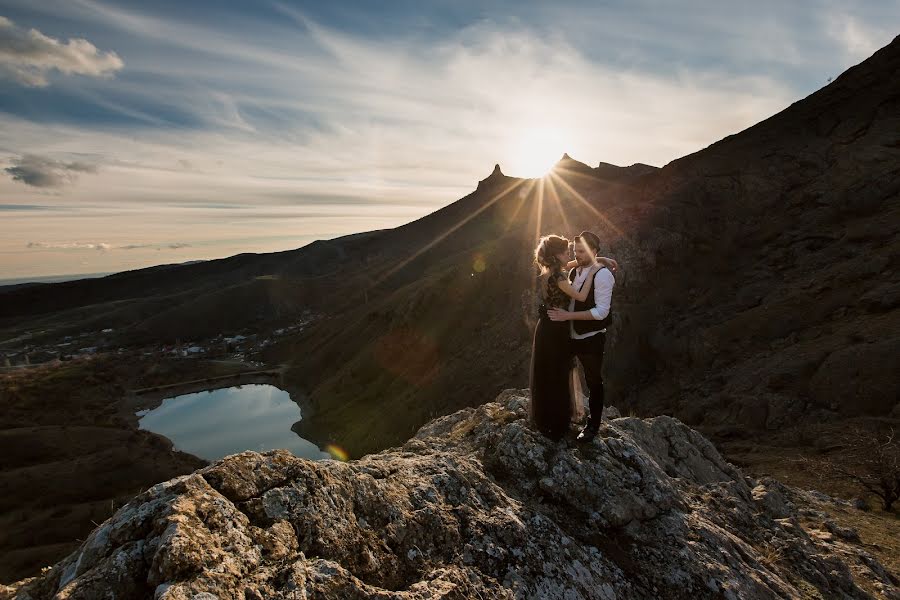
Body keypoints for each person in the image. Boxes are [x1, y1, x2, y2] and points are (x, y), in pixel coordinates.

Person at [528, 235, 602, 441]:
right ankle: (557, 422)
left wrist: (599, 260)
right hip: (556, 330)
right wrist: (593, 272)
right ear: (557, 255)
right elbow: (581, 296)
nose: (570, 255)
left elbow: (572, 263)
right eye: (566, 252)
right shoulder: (560, 278)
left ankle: (548, 419)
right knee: (558, 374)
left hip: (546, 329)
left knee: (548, 373)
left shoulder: (548, 272)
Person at [548, 231, 616, 442]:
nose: (577, 255)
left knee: (593, 381)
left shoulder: (603, 275)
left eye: (582, 252)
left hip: (591, 337)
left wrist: (569, 315)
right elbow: (566, 265)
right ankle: (563, 417)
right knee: (563, 375)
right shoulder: (575, 268)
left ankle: (592, 426)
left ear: (593, 251)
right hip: (569, 335)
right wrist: (599, 258)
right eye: (575, 251)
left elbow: (601, 312)